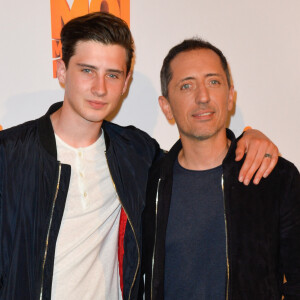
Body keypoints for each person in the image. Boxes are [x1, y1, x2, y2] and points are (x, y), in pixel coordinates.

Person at [0, 13, 278, 300]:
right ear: (61, 71)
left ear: (125, 82)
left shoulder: (135, 152)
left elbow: (199, 155)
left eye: (112, 74)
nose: (100, 87)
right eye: (87, 71)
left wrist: (249, 136)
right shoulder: (9, 154)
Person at [142, 38, 300, 300]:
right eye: (186, 85)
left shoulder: (275, 176)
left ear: (230, 96)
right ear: (166, 106)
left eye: (213, 82)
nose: (202, 97)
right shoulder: (149, 182)